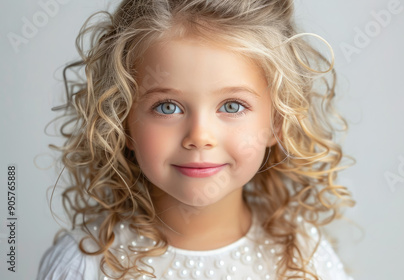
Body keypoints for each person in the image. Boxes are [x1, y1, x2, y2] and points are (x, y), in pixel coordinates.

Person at [37, 0, 356, 279]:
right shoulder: (84, 264)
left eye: (232, 106)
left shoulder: (304, 256)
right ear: (122, 122)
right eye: (167, 107)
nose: (199, 137)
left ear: (276, 122)